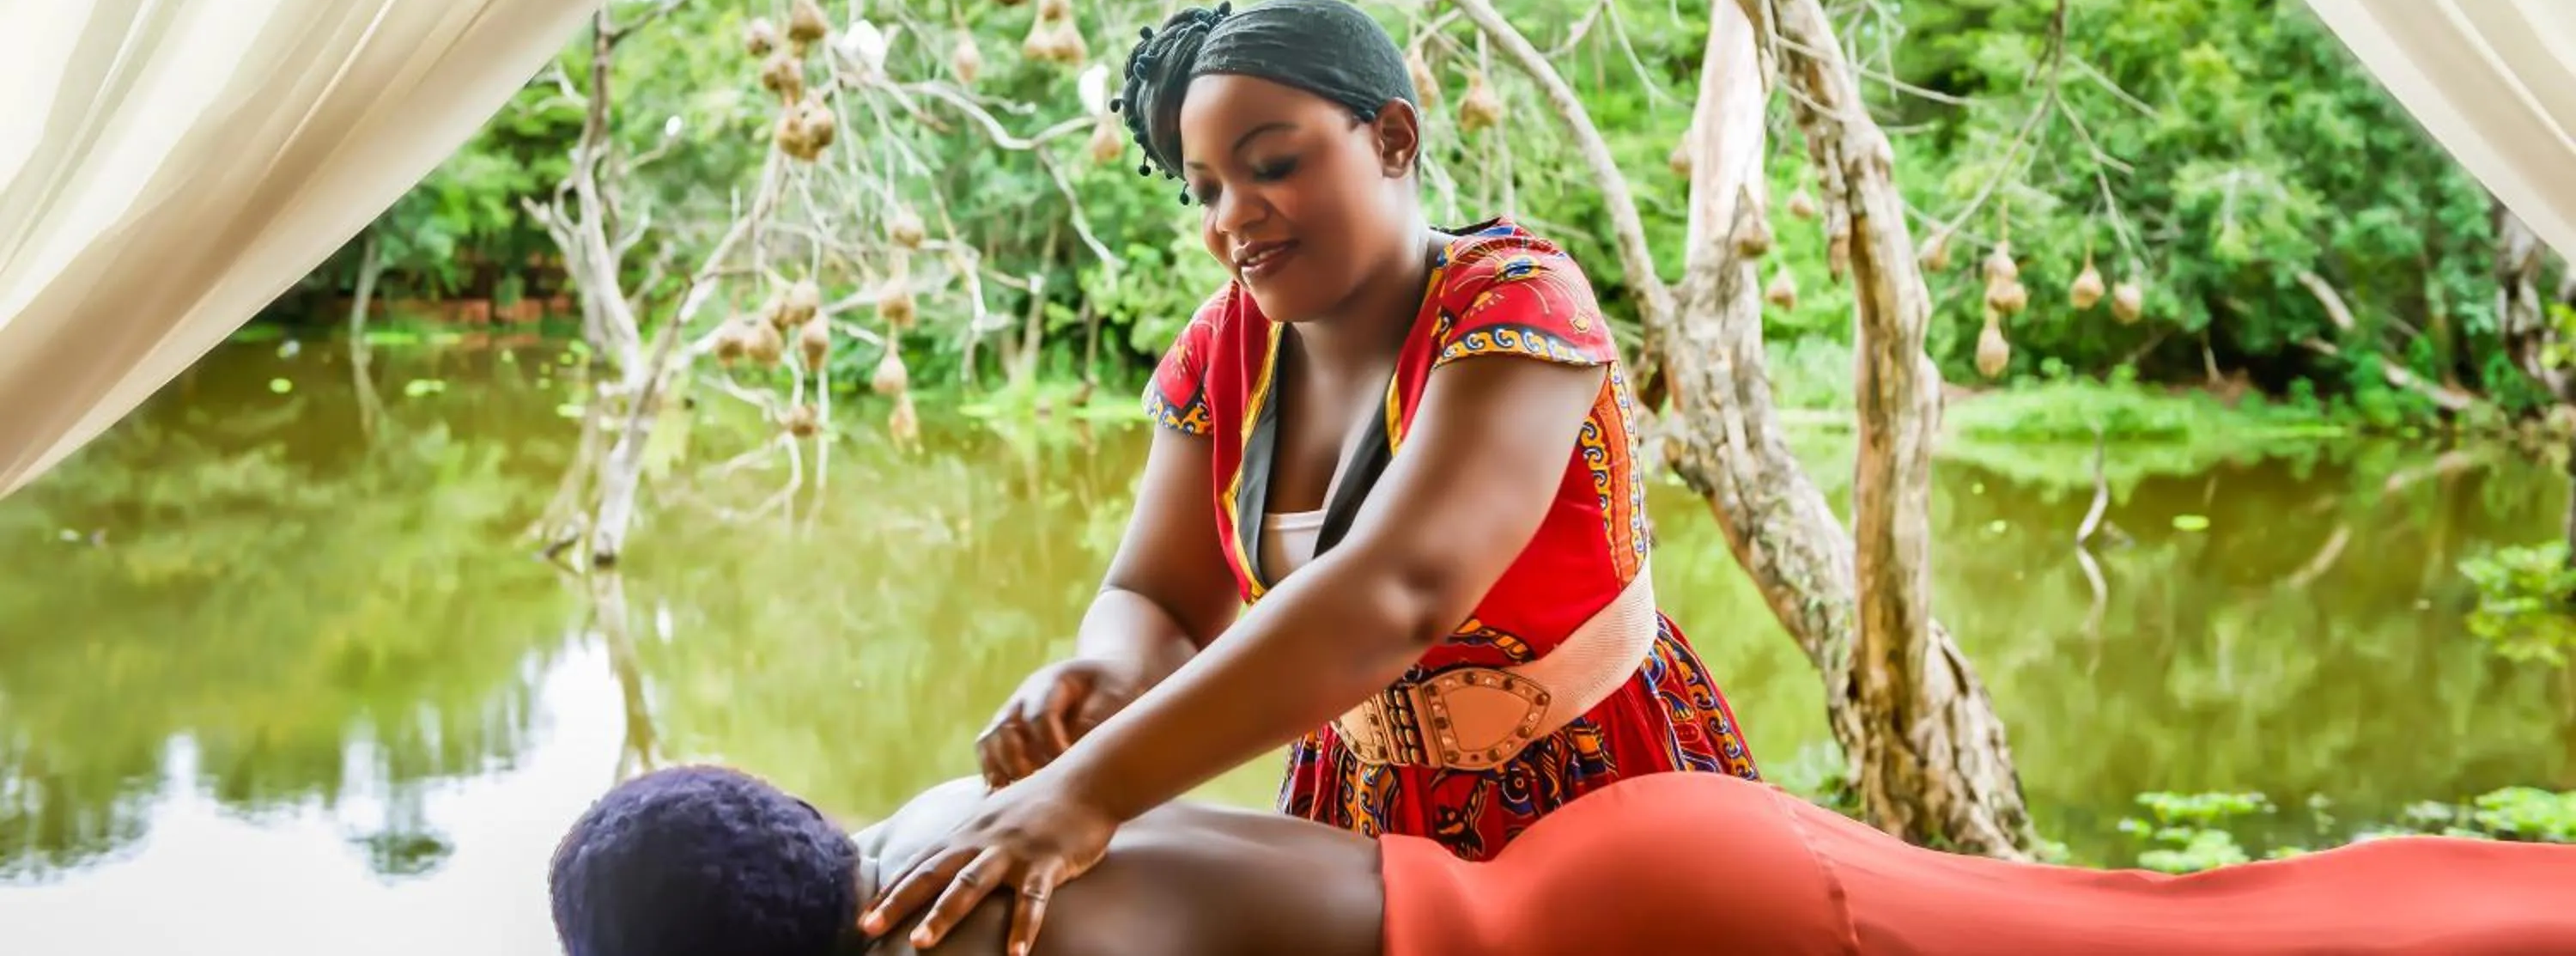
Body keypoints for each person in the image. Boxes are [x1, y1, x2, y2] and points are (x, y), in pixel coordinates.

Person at [870, 0, 1758, 950]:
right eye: (1203, 187)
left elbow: (1396, 591)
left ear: (1392, 137)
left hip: (1594, 782)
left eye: (1273, 164)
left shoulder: (1516, 303)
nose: (1231, 217)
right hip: (1351, 797)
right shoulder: (1224, 346)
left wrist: (1087, 790)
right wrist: (1105, 673)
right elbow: (1160, 595)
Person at [550, 763, 2576, 956]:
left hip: (1670, 931)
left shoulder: (951, 952)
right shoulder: (934, 834)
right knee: (2150, 924)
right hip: (1622, 859)